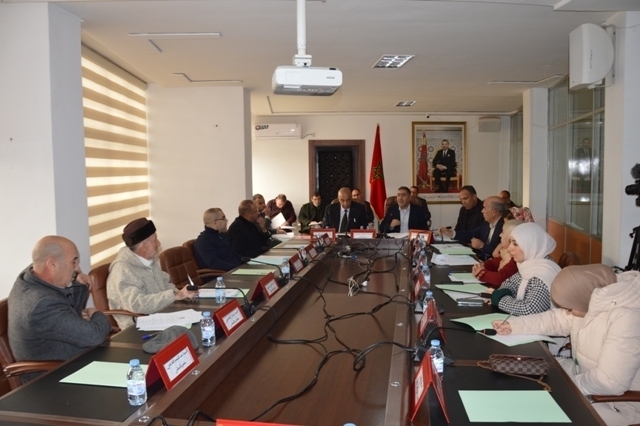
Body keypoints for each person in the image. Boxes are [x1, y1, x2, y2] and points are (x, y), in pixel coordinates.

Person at [493, 264, 640, 426]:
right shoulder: (591, 302)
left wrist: (563, 387)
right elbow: (555, 320)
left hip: (619, 405)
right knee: (529, 371)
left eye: (570, 308)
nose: (568, 312)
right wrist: (513, 325)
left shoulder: (627, 318)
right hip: (586, 381)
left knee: (537, 412)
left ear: (580, 299)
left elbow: (609, 382)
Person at [8, 236, 111, 383]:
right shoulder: (41, 304)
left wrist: (77, 282)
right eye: (73, 262)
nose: (77, 268)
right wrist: (97, 313)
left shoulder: (32, 275)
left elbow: (74, 310)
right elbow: (95, 336)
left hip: (72, 360)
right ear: (52, 264)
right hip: (53, 379)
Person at [107, 218, 197, 329]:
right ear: (143, 245)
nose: (158, 243)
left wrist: (182, 294)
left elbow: (165, 283)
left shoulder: (149, 260)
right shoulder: (122, 270)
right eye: (155, 240)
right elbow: (137, 304)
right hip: (138, 326)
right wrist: (174, 296)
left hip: (163, 315)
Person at [489, 222, 561, 316]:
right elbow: (509, 283)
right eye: (510, 242)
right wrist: (502, 294)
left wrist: (500, 299)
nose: (509, 248)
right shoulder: (529, 265)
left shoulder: (543, 274)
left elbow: (529, 310)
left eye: (515, 244)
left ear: (530, 245)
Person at [440, 196, 506, 260]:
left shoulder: (504, 227)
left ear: (493, 212)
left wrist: (482, 246)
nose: (482, 211)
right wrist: (451, 233)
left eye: (484, 208)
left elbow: (501, 253)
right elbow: (471, 233)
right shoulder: (486, 223)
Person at [471, 219, 523, 288]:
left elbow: (500, 278)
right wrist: (481, 266)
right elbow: (493, 263)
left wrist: (481, 273)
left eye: (503, 232)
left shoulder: (516, 258)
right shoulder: (506, 253)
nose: (500, 235)